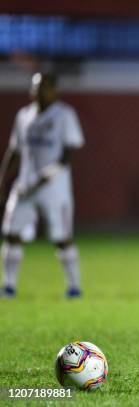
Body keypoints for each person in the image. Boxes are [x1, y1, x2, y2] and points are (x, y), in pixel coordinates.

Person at [0, 72, 84, 298]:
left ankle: (74, 286)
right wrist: (3, 179)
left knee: (62, 238)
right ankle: (8, 285)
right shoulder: (24, 116)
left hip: (54, 188)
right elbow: (15, 150)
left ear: (55, 90)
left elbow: (69, 153)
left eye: (45, 87)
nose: (40, 91)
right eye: (37, 87)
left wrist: (48, 174)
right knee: (11, 233)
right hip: (25, 186)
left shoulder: (65, 115)